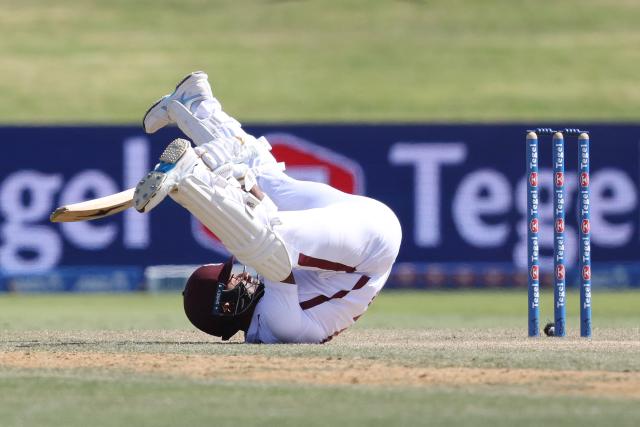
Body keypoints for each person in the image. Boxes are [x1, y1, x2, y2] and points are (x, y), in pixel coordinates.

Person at [135, 71, 402, 343]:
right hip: (372, 247)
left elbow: (262, 213)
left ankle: (196, 103)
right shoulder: (276, 324)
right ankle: (192, 181)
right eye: (232, 280)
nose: (241, 276)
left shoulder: (259, 300)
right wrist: (223, 182)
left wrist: (243, 182)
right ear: (226, 308)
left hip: (349, 226)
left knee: (263, 177)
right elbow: (277, 264)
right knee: (268, 241)